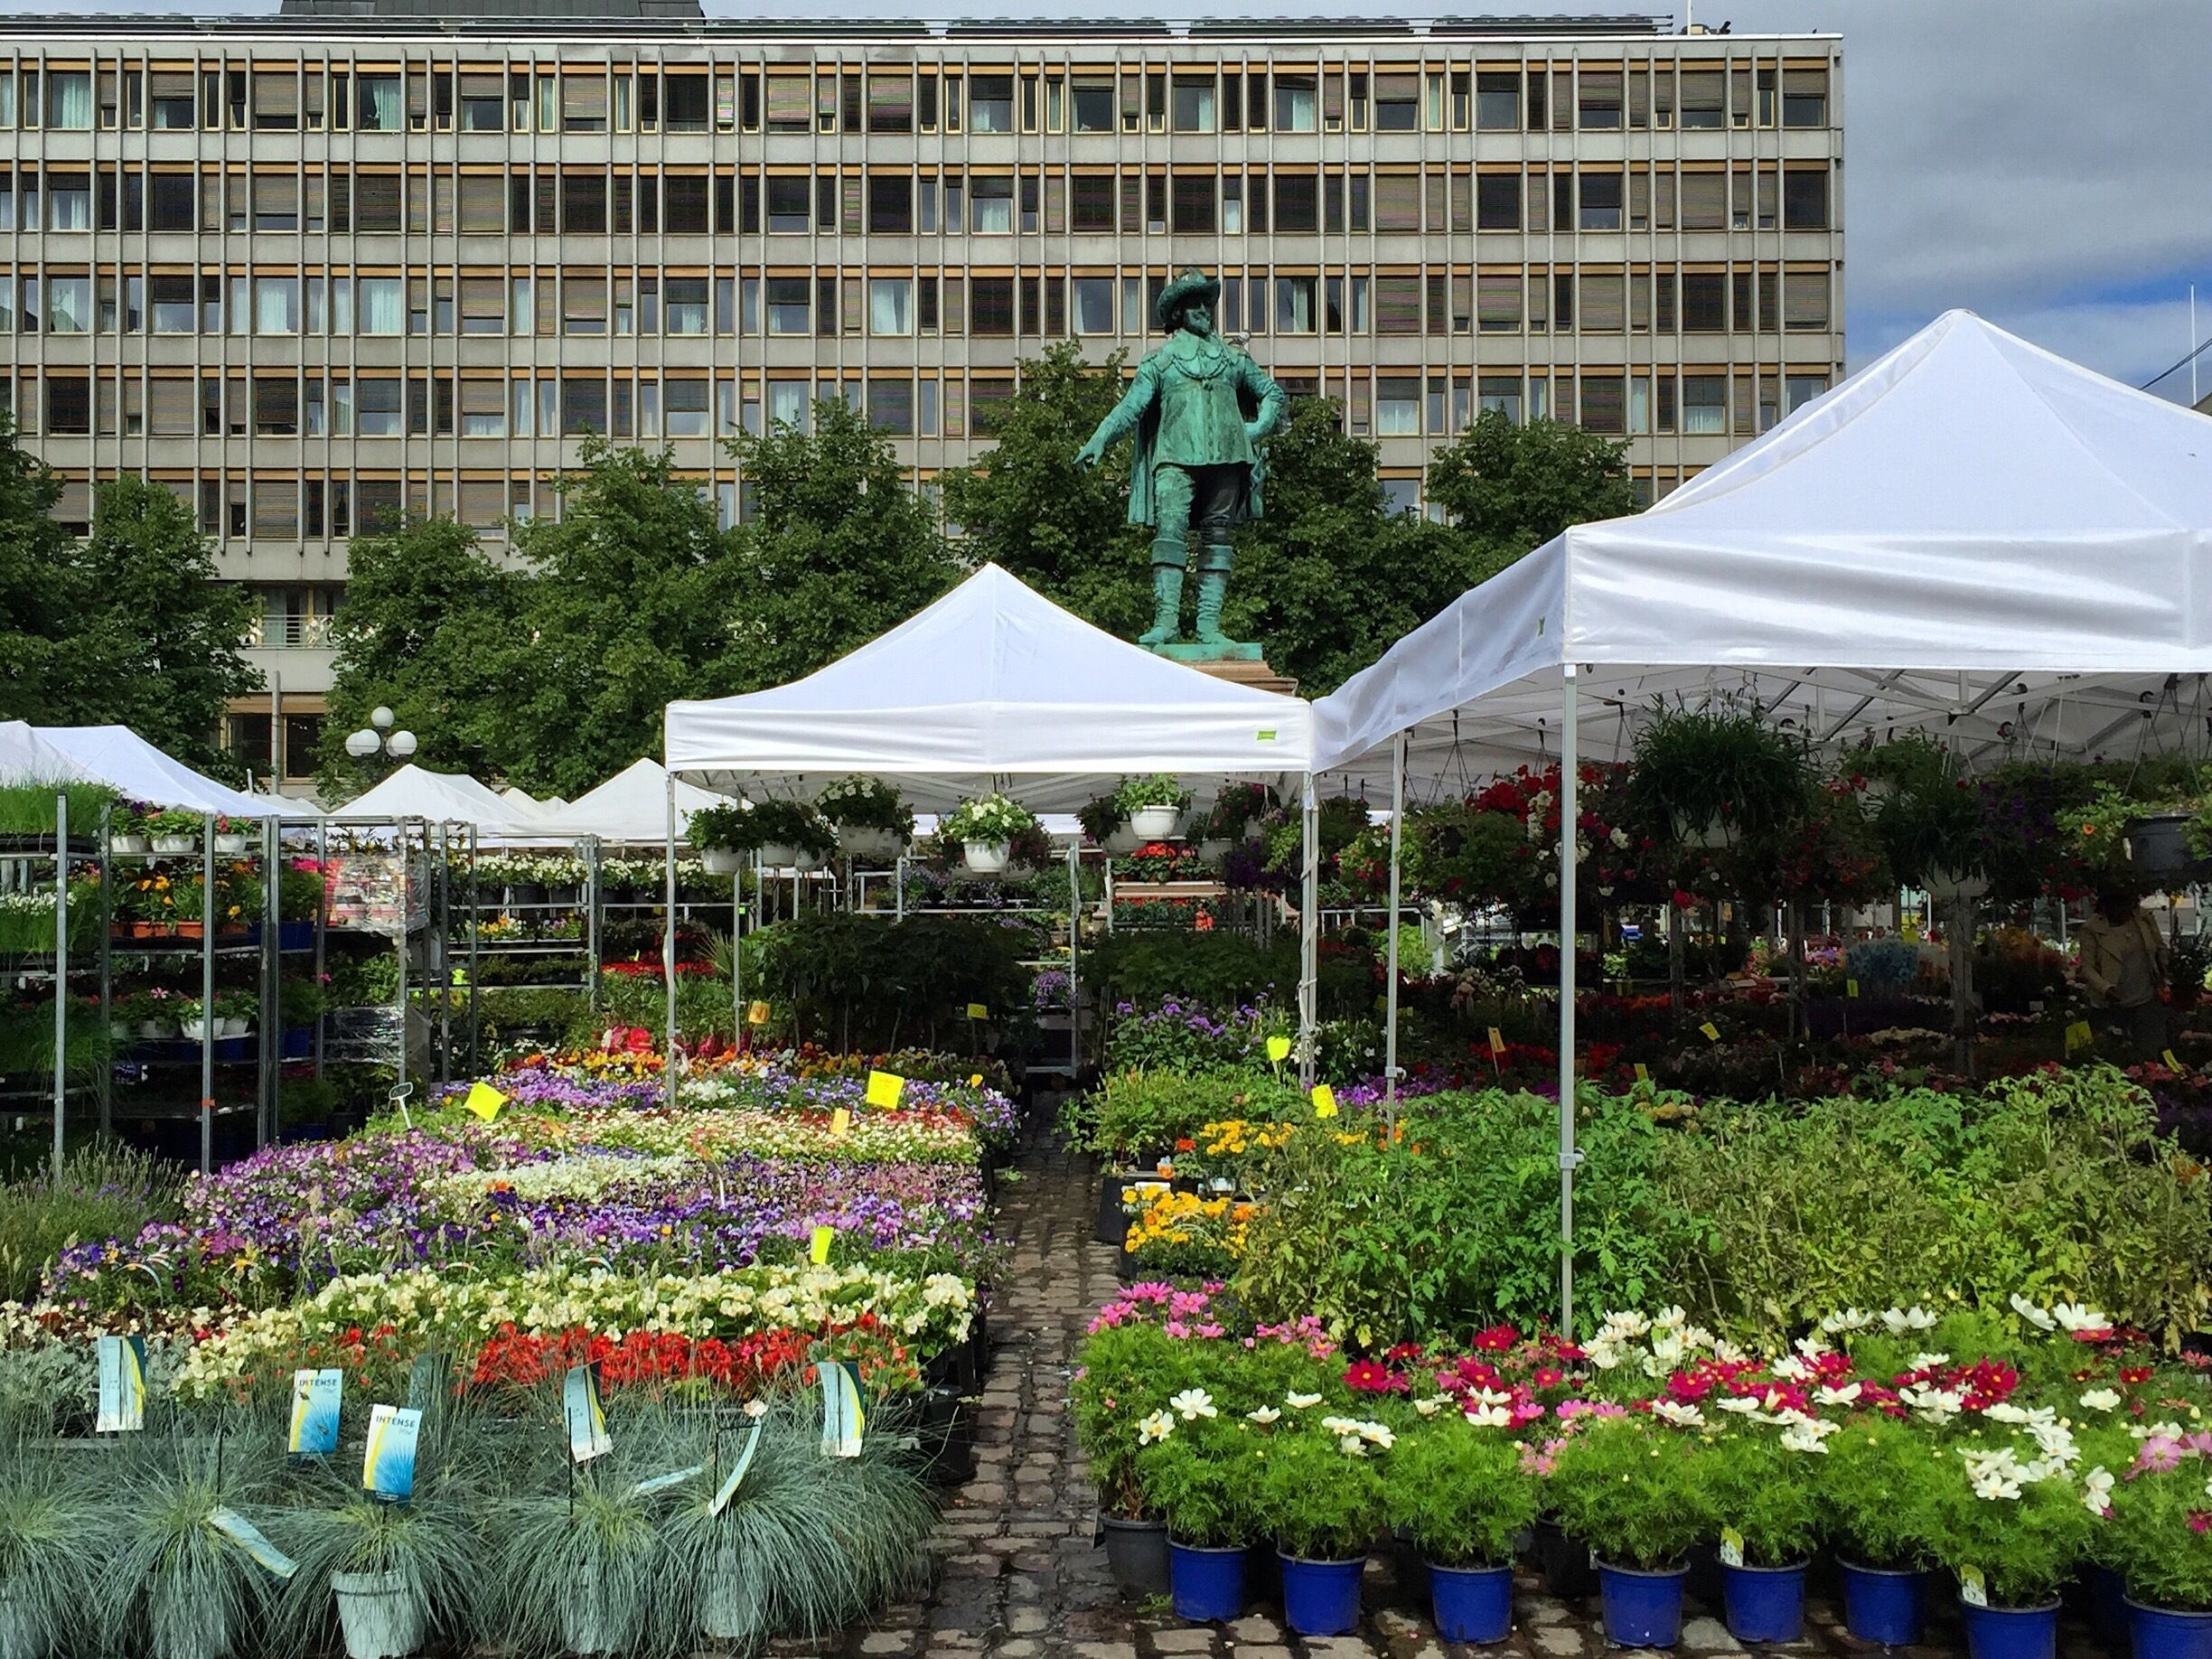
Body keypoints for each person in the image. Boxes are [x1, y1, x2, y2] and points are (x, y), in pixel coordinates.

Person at [1073, 267, 1288, 651]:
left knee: (1218, 538)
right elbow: (1130, 408)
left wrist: (1254, 430)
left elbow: (1272, 394)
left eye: (1208, 302)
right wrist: (1099, 439)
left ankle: (1208, 627)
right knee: (1169, 535)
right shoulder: (1160, 363)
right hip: (1174, 460)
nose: (1205, 309)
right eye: (1196, 303)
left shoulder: (1233, 360)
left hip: (1227, 459)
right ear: (1179, 313)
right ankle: (1166, 622)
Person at [2076, 889, 2170, 1060]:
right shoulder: (2091, 928)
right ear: (2105, 906)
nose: (2121, 910)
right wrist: (2105, 988)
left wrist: (2168, 972)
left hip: (2146, 999)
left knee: (2150, 1054)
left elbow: (2160, 948)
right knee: (2112, 1055)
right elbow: (2086, 967)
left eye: (2126, 904)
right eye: (2116, 905)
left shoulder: (2143, 919)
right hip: (2111, 1003)